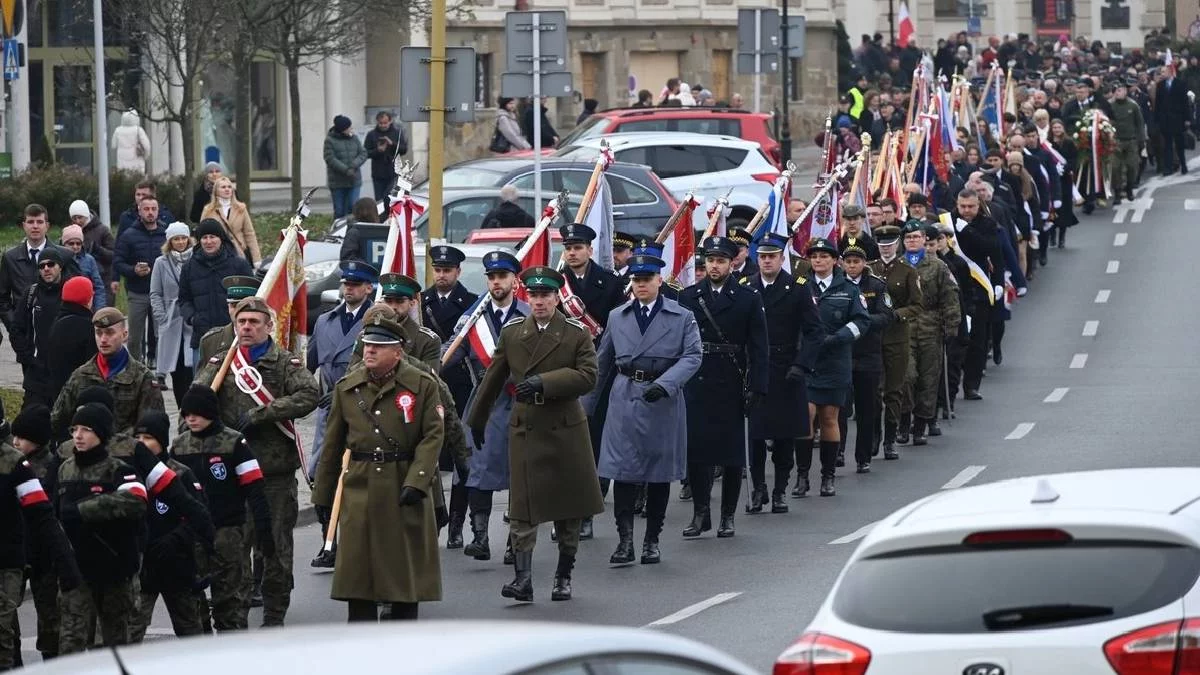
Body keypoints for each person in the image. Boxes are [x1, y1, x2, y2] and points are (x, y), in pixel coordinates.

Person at [466, 266, 603, 602]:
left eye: (546, 295)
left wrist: (545, 382)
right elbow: (493, 378)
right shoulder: (514, 333)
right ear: (527, 296)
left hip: (565, 428)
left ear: (557, 297)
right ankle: (522, 579)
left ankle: (563, 577)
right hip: (526, 426)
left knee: (568, 508)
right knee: (523, 506)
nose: (539, 301)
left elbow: (588, 376)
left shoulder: (575, 333)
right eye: (534, 295)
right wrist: (476, 420)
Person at [193, 297, 318, 628]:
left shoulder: (284, 363)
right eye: (241, 321)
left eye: (253, 322)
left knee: (274, 549)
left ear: (268, 326)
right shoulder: (223, 362)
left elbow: (309, 394)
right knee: (233, 552)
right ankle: (235, 620)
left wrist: (264, 413)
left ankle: (274, 618)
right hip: (232, 473)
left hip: (272, 474)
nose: (246, 327)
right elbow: (197, 398)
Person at [312, 312, 443, 621]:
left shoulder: (421, 385)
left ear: (397, 352)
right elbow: (332, 446)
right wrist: (323, 493)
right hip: (360, 486)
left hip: (403, 484)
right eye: (366, 344)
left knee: (403, 575)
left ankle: (400, 640)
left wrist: (417, 481)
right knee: (359, 575)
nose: (369, 351)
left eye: (378, 346)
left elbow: (433, 436)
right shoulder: (348, 388)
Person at [590, 254, 701, 565]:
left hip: (662, 398)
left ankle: (652, 540)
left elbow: (693, 356)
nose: (641, 284)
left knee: (658, 474)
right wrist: (587, 403)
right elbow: (603, 360)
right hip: (625, 396)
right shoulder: (617, 316)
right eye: (636, 280)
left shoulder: (681, 316)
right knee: (623, 472)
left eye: (647, 279)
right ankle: (625, 541)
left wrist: (666, 384)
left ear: (659, 280)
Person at [677, 236, 768, 537]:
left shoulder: (747, 297)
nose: (714, 266)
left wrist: (757, 385)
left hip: (732, 377)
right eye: (710, 260)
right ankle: (701, 513)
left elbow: (758, 346)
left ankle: (727, 515)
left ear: (732, 263)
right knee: (697, 451)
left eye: (720, 261)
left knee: (731, 453)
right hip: (696, 378)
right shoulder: (689, 296)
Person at [170, 386, 273, 632]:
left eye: (196, 413)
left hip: (226, 533)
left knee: (229, 603)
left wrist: (264, 531)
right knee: (193, 603)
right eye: (186, 414)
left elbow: (255, 489)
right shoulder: (180, 446)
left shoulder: (234, 442)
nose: (190, 419)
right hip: (191, 535)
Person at [446, 251, 528, 564]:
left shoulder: (528, 313)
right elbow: (452, 354)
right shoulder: (473, 318)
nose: (496, 282)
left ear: (514, 281)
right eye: (492, 277)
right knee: (477, 471)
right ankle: (480, 537)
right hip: (483, 403)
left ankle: (515, 542)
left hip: (518, 400)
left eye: (502, 276)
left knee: (519, 474)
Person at [55, 403, 146, 654]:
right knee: (71, 641)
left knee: (114, 645)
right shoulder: (65, 469)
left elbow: (136, 500)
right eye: (75, 429)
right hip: (77, 570)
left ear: (102, 434)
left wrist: (85, 510)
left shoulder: (119, 470)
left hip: (113, 568)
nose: (78, 436)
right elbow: (54, 515)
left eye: (86, 429)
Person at [744, 232, 823, 513]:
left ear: (782, 258)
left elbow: (815, 331)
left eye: (772, 257)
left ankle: (779, 490)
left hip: (787, 369)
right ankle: (757, 489)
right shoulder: (746, 286)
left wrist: (802, 364)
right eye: (762, 256)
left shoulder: (798, 288)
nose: (766, 261)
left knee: (784, 436)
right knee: (753, 434)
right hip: (755, 370)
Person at [306, 261, 377, 568]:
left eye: (356, 284)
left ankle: (359, 543)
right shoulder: (324, 321)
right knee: (324, 473)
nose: (349, 288)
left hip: (364, 407)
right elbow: (310, 361)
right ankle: (329, 541)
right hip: (328, 410)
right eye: (346, 283)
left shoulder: (378, 321)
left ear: (368, 288)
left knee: (360, 478)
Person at [559, 222, 625, 538]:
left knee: (595, 440)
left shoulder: (611, 284)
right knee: (565, 444)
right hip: (566, 371)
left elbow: (617, 331)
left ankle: (588, 508)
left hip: (602, 371)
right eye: (568, 248)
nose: (572, 253)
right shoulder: (557, 285)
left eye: (578, 247)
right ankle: (565, 511)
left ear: (589, 249)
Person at [8, 404, 80, 664]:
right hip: (19, 552)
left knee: (50, 620)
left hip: (44, 556)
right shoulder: (15, 464)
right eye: (14, 436)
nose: (16, 442)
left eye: (22, 438)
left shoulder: (50, 468)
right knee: (8, 617)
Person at [129, 410, 209, 640]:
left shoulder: (180, 474)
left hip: (177, 566)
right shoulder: (128, 474)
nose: (142, 444)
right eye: (138, 438)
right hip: (143, 569)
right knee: (132, 630)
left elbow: (198, 516)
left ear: (161, 441)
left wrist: (175, 540)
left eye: (148, 438)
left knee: (189, 630)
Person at [801, 238, 870, 497]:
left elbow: (861, 322)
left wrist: (837, 338)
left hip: (834, 360)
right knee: (805, 415)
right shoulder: (801, 287)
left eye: (824, 256)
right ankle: (802, 475)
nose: (818, 260)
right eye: (814, 256)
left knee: (829, 417)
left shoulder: (848, 290)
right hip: (807, 361)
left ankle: (828, 476)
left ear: (834, 260)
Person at [420, 245, 478, 549]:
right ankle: (436, 518)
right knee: (429, 458)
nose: (441, 275)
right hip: (426, 389)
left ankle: (457, 521)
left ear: (458, 272)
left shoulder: (471, 304)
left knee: (461, 459)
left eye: (447, 270)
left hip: (458, 387)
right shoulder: (419, 303)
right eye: (437, 270)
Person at [51, 307, 166, 441]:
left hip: (127, 455)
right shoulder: (80, 375)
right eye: (99, 333)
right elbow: (57, 420)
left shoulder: (142, 378)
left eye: (110, 333)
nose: (103, 339)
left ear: (124, 335)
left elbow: (152, 427)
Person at [902, 221, 960, 445]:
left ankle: (920, 426)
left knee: (928, 380)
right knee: (906, 377)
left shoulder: (938, 266)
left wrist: (951, 325)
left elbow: (950, 296)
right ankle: (903, 422)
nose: (912, 241)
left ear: (924, 239)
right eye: (908, 238)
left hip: (931, 328)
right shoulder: (897, 265)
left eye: (916, 237)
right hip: (904, 329)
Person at [836, 244, 893, 474]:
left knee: (867, 407)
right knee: (840, 406)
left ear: (864, 263)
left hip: (868, 353)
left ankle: (863, 455)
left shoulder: (876, 285)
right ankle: (838, 450)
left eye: (856, 262)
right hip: (842, 353)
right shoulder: (836, 285)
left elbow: (886, 315)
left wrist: (861, 322)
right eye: (848, 262)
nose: (852, 266)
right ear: (842, 263)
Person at [868, 225, 922, 457]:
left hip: (897, 336)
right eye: (882, 244)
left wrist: (898, 315)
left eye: (890, 244)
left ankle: (890, 439)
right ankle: (873, 436)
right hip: (871, 337)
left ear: (897, 244)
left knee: (894, 390)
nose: (886, 248)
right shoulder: (869, 269)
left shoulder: (908, 271)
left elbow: (917, 305)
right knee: (872, 392)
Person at [951, 188, 1004, 401]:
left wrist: (999, 283)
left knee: (978, 341)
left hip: (979, 288)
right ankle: (953, 386)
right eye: (962, 206)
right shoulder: (947, 221)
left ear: (978, 205)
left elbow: (991, 249)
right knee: (957, 340)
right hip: (955, 288)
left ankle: (972, 385)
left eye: (971, 206)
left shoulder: (987, 224)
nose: (966, 210)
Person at [177, 220, 253, 368]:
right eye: (204, 237)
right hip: (201, 337)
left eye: (213, 237)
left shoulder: (239, 265)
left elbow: (252, 298)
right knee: (200, 386)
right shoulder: (189, 268)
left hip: (234, 336)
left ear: (221, 238)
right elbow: (184, 299)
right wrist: (192, 318)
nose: (208, 241)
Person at [11, 248, 72, 409]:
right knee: (29, 424)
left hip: (64, 374)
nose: (46, 269)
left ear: (60, 266)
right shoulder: (31, 294)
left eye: (51, 264)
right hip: (36, 376)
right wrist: (28, 358)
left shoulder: (70, 292)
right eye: (42, 266)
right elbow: (16, 329)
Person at [0, 205, 71, 341]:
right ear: (24, 225)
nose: (35, 226)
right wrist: (14, 325)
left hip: (57, 331)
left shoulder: (64, 255)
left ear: (47, 225)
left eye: (39, 222)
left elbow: (75, 292)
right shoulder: (10, 258)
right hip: (25, 333)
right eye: (31, 222)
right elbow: (2, 298)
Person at [114, 196, 168, 364]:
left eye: (154, 209)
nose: (150, 213)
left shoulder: (166, 234)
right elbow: (118, 262)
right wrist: (133, 270)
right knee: (134, 337)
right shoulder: (129, 235)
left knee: (161, 334)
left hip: (161, 293)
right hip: (137, 292)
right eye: (146, 209)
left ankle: (160, 371)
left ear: (158, 211)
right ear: (139, 210)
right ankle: (135, 369)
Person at [150, 222, 197, 400]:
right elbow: (155, 292)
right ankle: (180, 404)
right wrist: (161, 317)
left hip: (190, 319)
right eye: (176, 239)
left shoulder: (196, 259)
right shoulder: (161, 263)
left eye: (183, 238)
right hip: (170, 320)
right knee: (175, 367)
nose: (180, 242)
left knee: (191, 365)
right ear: (169, 241)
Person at [376, 274, 441, 369]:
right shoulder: (366, 335)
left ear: (412, 303)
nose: (393, 306)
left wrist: (396, 355)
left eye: (399, 301)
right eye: (388, 301)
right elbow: (352, 375)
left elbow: (430, 380)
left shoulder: (427, 341)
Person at [47, 276, 98, 397]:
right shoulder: (88, 327)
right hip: (81, 394)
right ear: (87, 298)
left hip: (58, 392)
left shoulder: (58, 322)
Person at [197, 275, 259, 365]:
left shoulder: (268, 339)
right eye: (234, 306)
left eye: (243, 307)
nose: (238, 312)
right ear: (228, 306)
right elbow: (201, 377)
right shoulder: (210, 341)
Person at [199, 177, 261, 265]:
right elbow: (201, 234)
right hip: (217, 254)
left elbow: (249, 234)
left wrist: (256, 258)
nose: (227, 189)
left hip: (238, 252)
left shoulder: (241, 208)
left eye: (229, 187)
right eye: (223, 187)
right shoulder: (208, 210)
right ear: (216, 190)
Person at [324, 114, 369, 219]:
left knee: (352, 207)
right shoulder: (330, 140)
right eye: (348, 127)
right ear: (342, 129)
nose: (351, 129)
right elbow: (330, 158)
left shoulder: (354, 138)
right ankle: (338, 231)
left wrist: (354, 165)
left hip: (354, 180)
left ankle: (351, 230)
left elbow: (363, 153)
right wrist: (345, 169)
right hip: (337, 182)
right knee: (339, 211)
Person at [69, 199, 115, 299]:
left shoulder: (103, 230)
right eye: (74, 218)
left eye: (80, 217)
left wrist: (98, 249)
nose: (77, 221)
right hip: (79, 281)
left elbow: (113, 256)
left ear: (86, 215)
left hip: (103, 282)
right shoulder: (70, 232)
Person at [1110, 80, 1146, 204]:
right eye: (1117, 91)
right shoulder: (1109, 105)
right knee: (1115, 168)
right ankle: (1117, 193)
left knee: (1132, 166)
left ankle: (1129, 188)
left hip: (1131, 141)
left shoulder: (1133, 105)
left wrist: (1142, 141)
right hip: (1115, 142)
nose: (1119, 93)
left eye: (1122, 90)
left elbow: (1140, 123)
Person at [364, 111, 408, 201]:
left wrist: (392, 144)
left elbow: (404, 150)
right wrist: (378, 151)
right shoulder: (371, 135)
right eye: (380, 123)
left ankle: (392, 215)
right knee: (380, 200)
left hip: (394, 172)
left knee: (393, 199)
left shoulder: (397, 133)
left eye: (385, 123)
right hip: (378, 174)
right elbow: (365, 153)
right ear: (377, 122)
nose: (383, 125)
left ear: (390, 121)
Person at [60, 225, 106, 310]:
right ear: (64, 243)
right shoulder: (57, 259)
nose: (75, 246)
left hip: (86, 307)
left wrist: (100, 309)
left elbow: (98, 287)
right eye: (71, 243)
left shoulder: (89, 260)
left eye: (78, 243)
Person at [110, 110, 151, 174]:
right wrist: (146, 156)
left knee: (124, 178)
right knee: (137, 179)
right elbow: (146, 146)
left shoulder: (118, 130)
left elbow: (113, 145)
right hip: (137, 161)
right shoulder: (139, 130)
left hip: (122, 162)